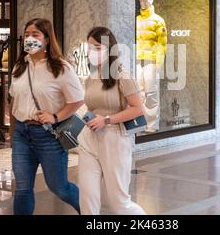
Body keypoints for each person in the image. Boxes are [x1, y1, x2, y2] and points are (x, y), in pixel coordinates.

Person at [9, 18, 84, 215]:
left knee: (59, 187)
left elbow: (77, 100)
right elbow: (13, 100)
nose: (29, 39)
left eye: (35, 35)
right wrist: (12, 132)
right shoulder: (19, 66)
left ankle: (90, 212)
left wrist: (55, 116)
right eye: (26, 35)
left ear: (47, 39)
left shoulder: (60, 67)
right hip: (22, 135)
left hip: (48, 135)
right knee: (23, 189)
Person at [78, 26, 146, 215]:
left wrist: (107, 120)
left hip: (114, 140)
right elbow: (91, 107)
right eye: (90, 47)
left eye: (98, 47)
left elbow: (138, 109)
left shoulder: (123, 76)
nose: (92, 51)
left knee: (119, 203)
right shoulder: (91, 77)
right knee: (87, 197)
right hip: (89, 141)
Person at [136, 0, 167, 132]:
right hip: (137, 58)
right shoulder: (136, 19)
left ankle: (152, 124)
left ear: (151, 0)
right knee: (139, 92)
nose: (142, 2)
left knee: (151, 92)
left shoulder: (158, 20)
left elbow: (162, 44)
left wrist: (159, 63)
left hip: (151, 60)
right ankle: (140, 123)